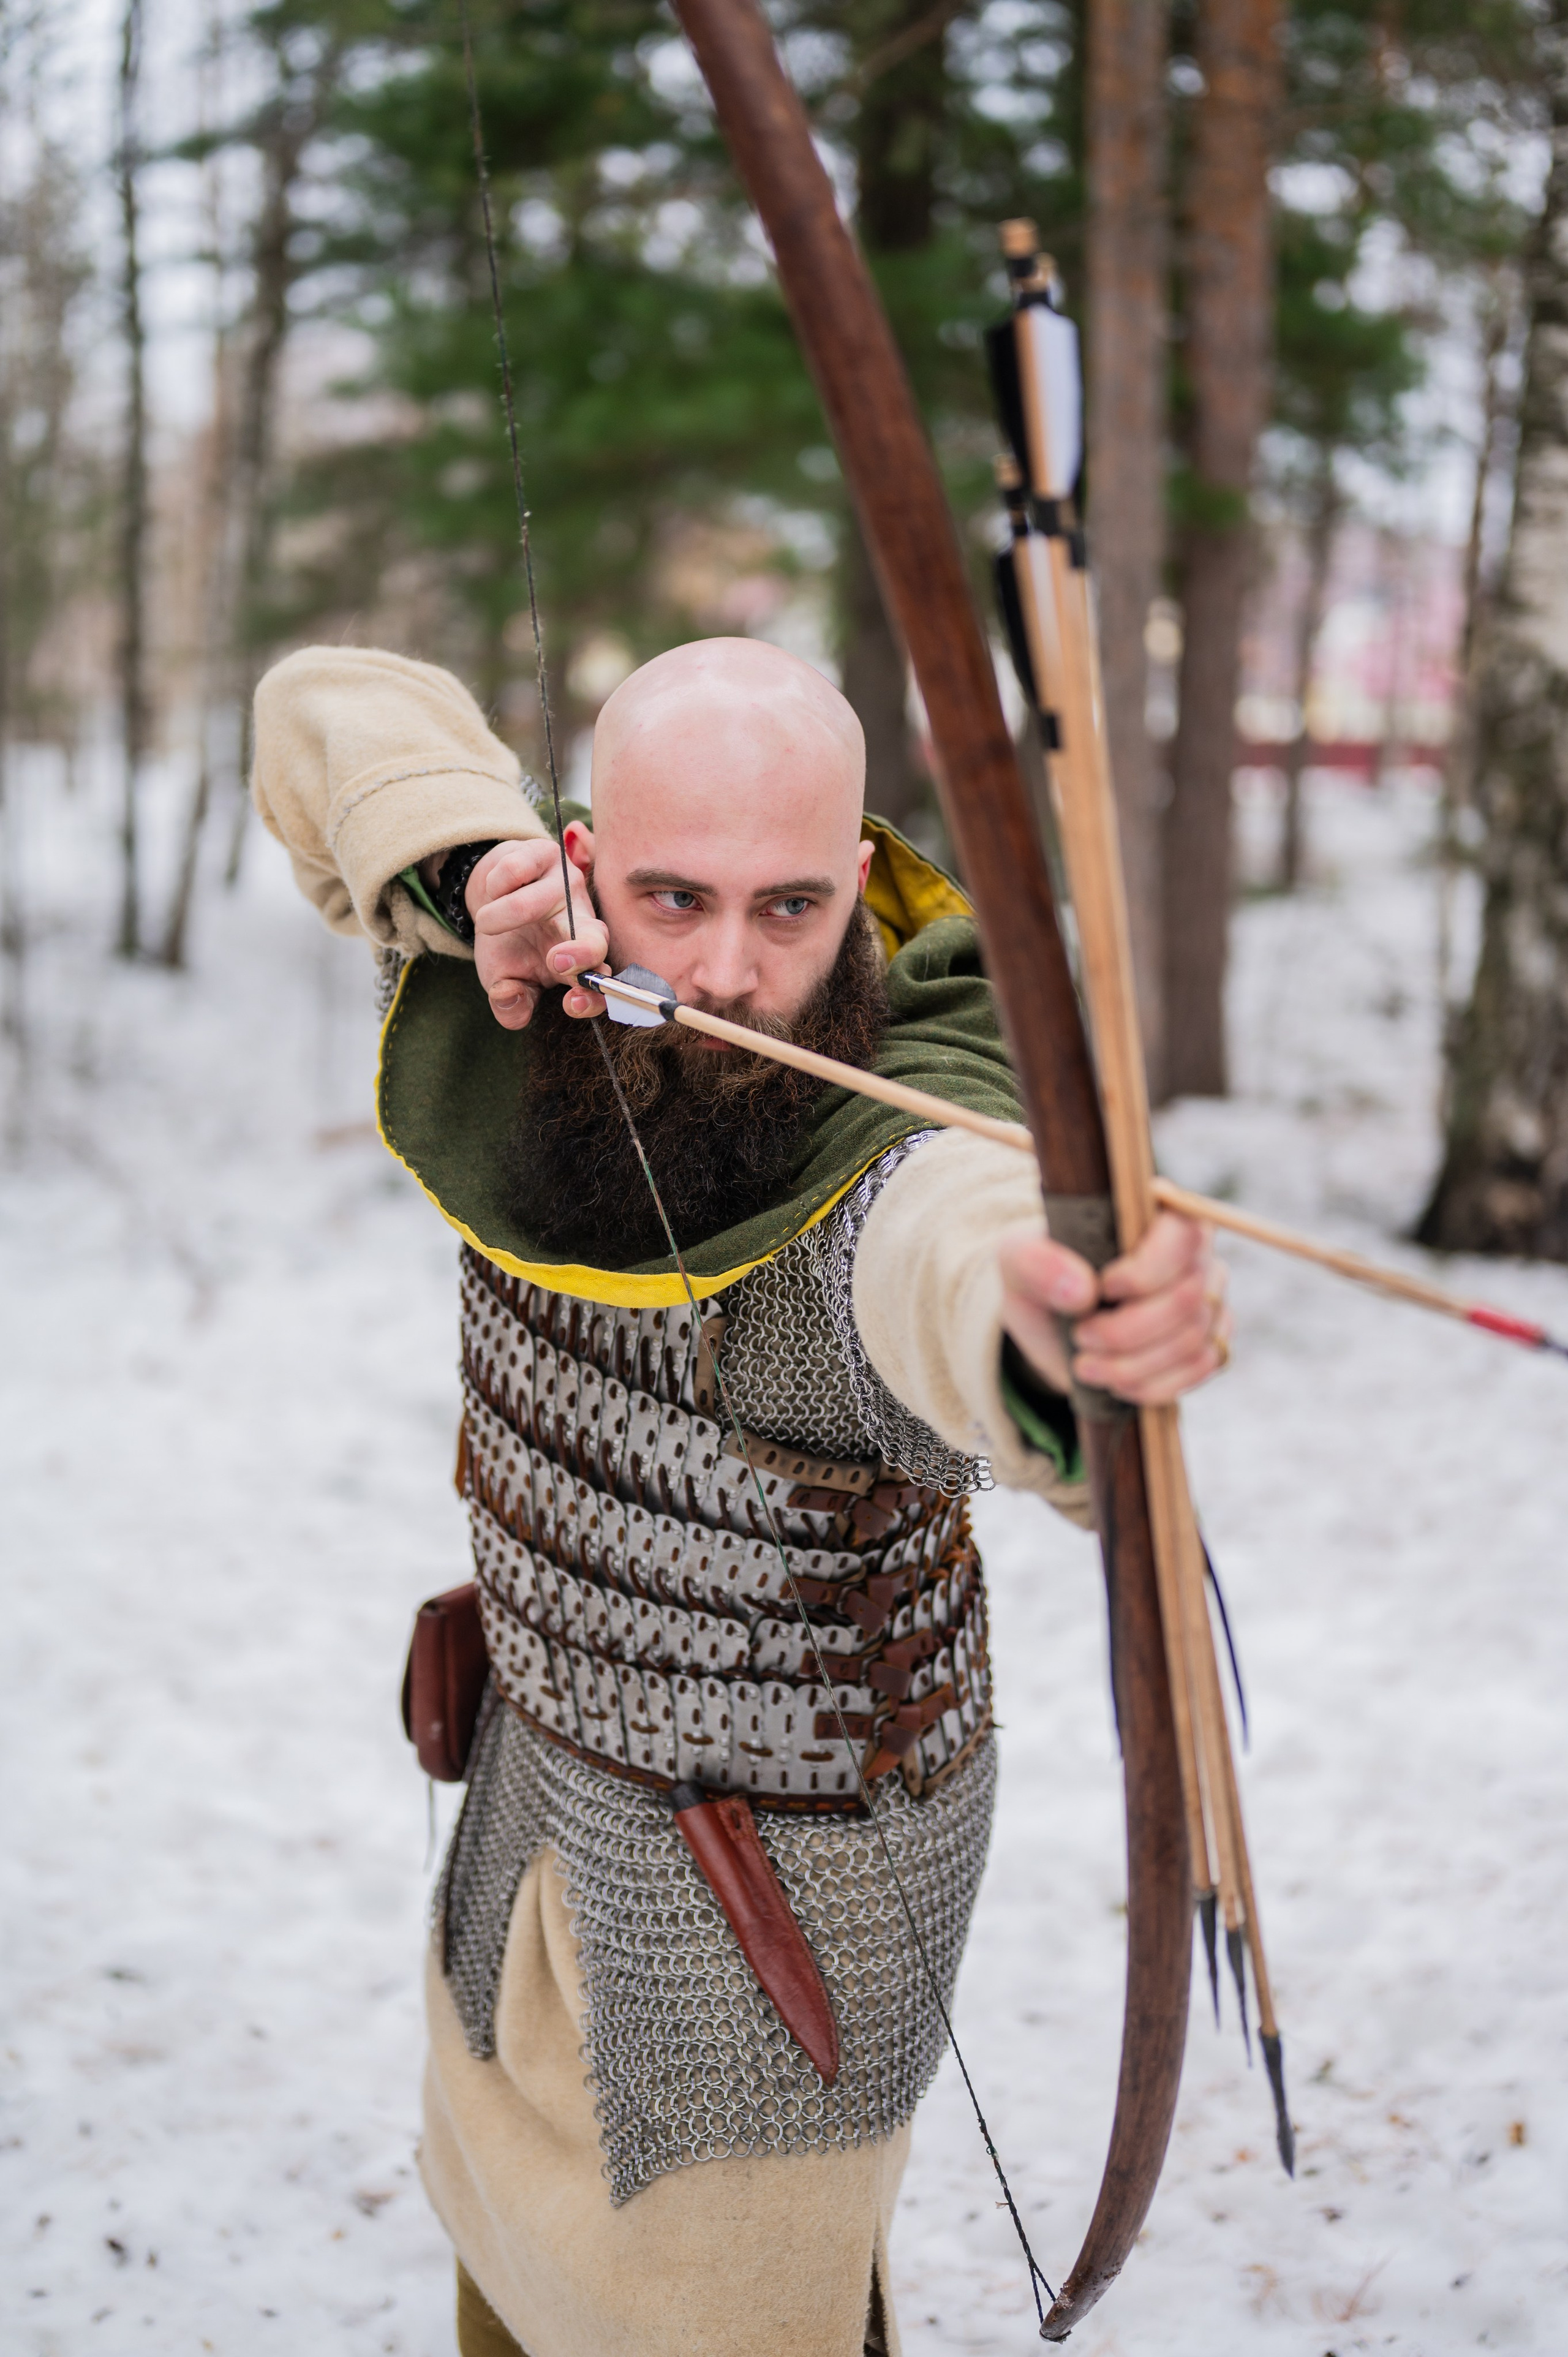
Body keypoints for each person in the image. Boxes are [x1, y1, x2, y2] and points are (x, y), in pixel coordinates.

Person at [252, 634, 1229, 2357]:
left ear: (856, 886)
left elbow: (946, 1247)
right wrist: (467, 869)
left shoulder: (893, 1140)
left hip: (766, 1923)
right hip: (535, 1796)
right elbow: (323, 707)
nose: (726, 971)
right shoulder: (544, 994)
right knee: (504, 2273)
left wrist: (1054, 1322)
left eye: (790, 909)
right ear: (583, 868)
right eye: (674, 899)